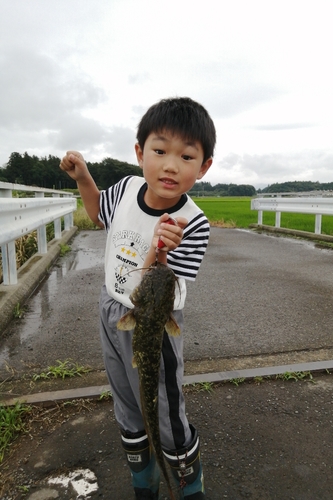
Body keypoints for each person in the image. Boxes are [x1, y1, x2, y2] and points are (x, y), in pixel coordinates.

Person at [59, 97, 216, 500]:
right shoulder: (127, 188)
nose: (170, 165)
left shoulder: (193, 222)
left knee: (164, 410)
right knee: (127, 402)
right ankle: (144, 482)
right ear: (139, 153)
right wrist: (84, 178)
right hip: (112, 310)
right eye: (159, 151)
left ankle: (186, 484)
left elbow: (161, 289)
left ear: (203, 167)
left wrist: (159, 252)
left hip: (154, 320)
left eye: (186, 156)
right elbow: (98, 214)